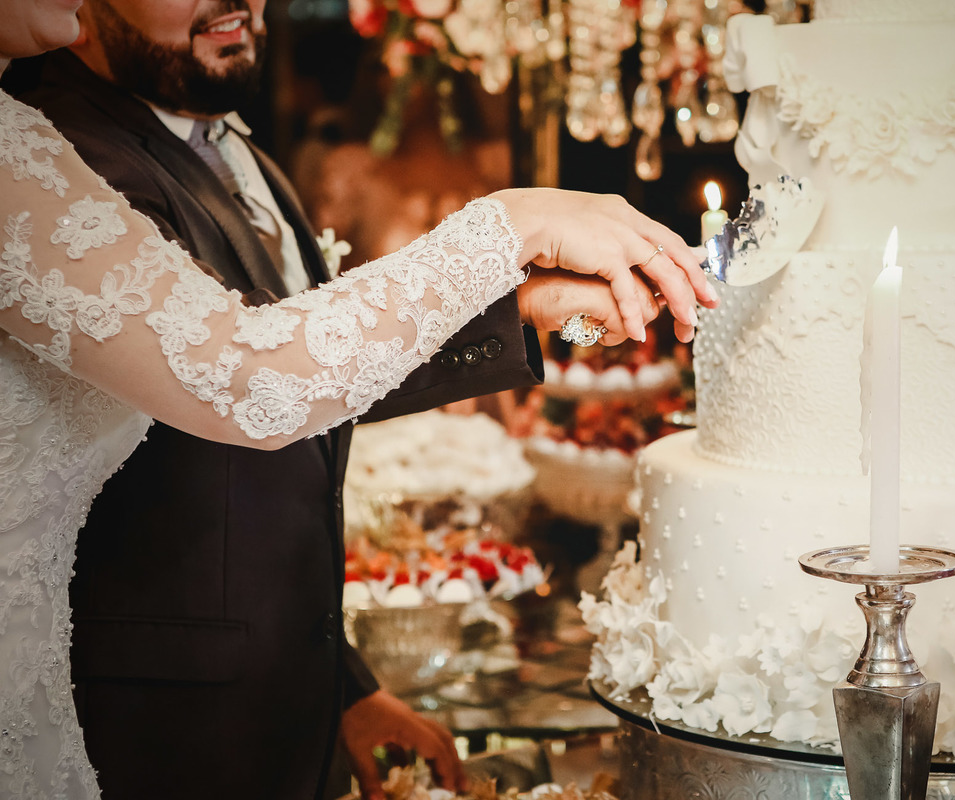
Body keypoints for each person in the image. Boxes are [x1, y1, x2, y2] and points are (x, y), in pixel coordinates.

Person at [0, 2, 718, 799]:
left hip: (277, 692)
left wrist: (518, 311)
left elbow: (309, 369)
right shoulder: (56, 146)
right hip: (152, 724)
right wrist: (512, 225)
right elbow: (252, 385)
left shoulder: (225, 142)